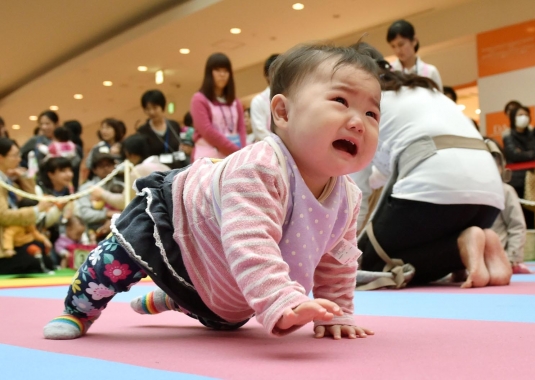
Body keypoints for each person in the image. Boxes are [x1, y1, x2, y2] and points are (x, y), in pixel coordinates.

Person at [43, 42, 381, 341]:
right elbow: (250, 243)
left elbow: (337, 262)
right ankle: (79, 310)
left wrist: (338, 313)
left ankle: (176, 298)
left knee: (229, 315)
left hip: (224, 278)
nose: (358, 122)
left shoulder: (348, 197)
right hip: (177, 221)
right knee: (117, 260)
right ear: (282, 112)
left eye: (371, 113)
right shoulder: (261, 168)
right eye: (340, 101)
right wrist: (282, 298)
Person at [354, 43, 511, 289]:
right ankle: (480, 244)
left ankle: (458, 251)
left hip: (435, 190)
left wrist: (349, 250)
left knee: (371, 266)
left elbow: (358, 191)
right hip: (489, 198)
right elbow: (384, 173)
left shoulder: (366, 102)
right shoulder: (423, 90)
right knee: (415, 240)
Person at [0, 138, 54, 275]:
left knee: (44, 256)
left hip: (18, 238)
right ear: (1, 158)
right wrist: (37, 209)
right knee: (36, 261)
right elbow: (3, 216)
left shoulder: (8, 180)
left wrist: (24, 177)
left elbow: (30, 199)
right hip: (5, 245)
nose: (19, 159)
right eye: (15, 155)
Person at [91, 134, 171, 212]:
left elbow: (124, 202)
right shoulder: (165, 167)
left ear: (131, 155)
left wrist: (102, 193)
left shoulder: (138, 170)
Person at [486, 139, 531, 274]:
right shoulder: (468, 194)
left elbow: (517, 226)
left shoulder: (505, 191)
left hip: (499, 257)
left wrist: (512, 258)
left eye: (495, 164)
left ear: (501, 166)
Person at [190, 53, 246, 160]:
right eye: (218, 70)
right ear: (209, 73)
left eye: (226, 71)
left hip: (235, 156)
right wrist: (236, 151)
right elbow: (207, 131)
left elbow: (241, 128)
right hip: (208, 158)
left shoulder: (235, 101)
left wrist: (242, 151)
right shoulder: (199, 99)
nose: (222, 74)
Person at [502, 104, 535, 229]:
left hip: (531, 180)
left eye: (526, 115)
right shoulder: (508, 136)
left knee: (530, 214)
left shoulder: (533, 135)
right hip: (515, 180)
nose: (523, 117)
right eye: (520, 115)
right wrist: (529, 154)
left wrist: (523, 153)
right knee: (516, 215)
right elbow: (513, 155)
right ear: (513, 118)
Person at [386, 19, 442, 90]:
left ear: (414, 40)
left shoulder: (430, 72)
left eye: (401, 44)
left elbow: (439, 99)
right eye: (393, 46)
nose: (397, 50)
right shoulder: (389, 72)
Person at [74, 153, 123, 234]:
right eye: (101, 166)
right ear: (94, 170)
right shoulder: (86, 188)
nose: (106, 168)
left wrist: (114, 221)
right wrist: (107, 213)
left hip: (120, 228)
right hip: (93, 231)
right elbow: (85, 214)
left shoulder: (123, 185)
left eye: (109, 165)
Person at [137, 90, 184, 169]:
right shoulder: (142, 131)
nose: (151, 112)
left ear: (162, 107)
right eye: (148, 109)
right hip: (154, 172)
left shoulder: (174, 125)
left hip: (176, 169)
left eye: (155, 108)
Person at [250, 54, 280, 142]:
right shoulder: (258, 101)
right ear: (267, 75)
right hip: (269, 147)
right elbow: (260, 131)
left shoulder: (292, 96)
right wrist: (280, 144)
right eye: (275, 71)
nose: (279, 74)